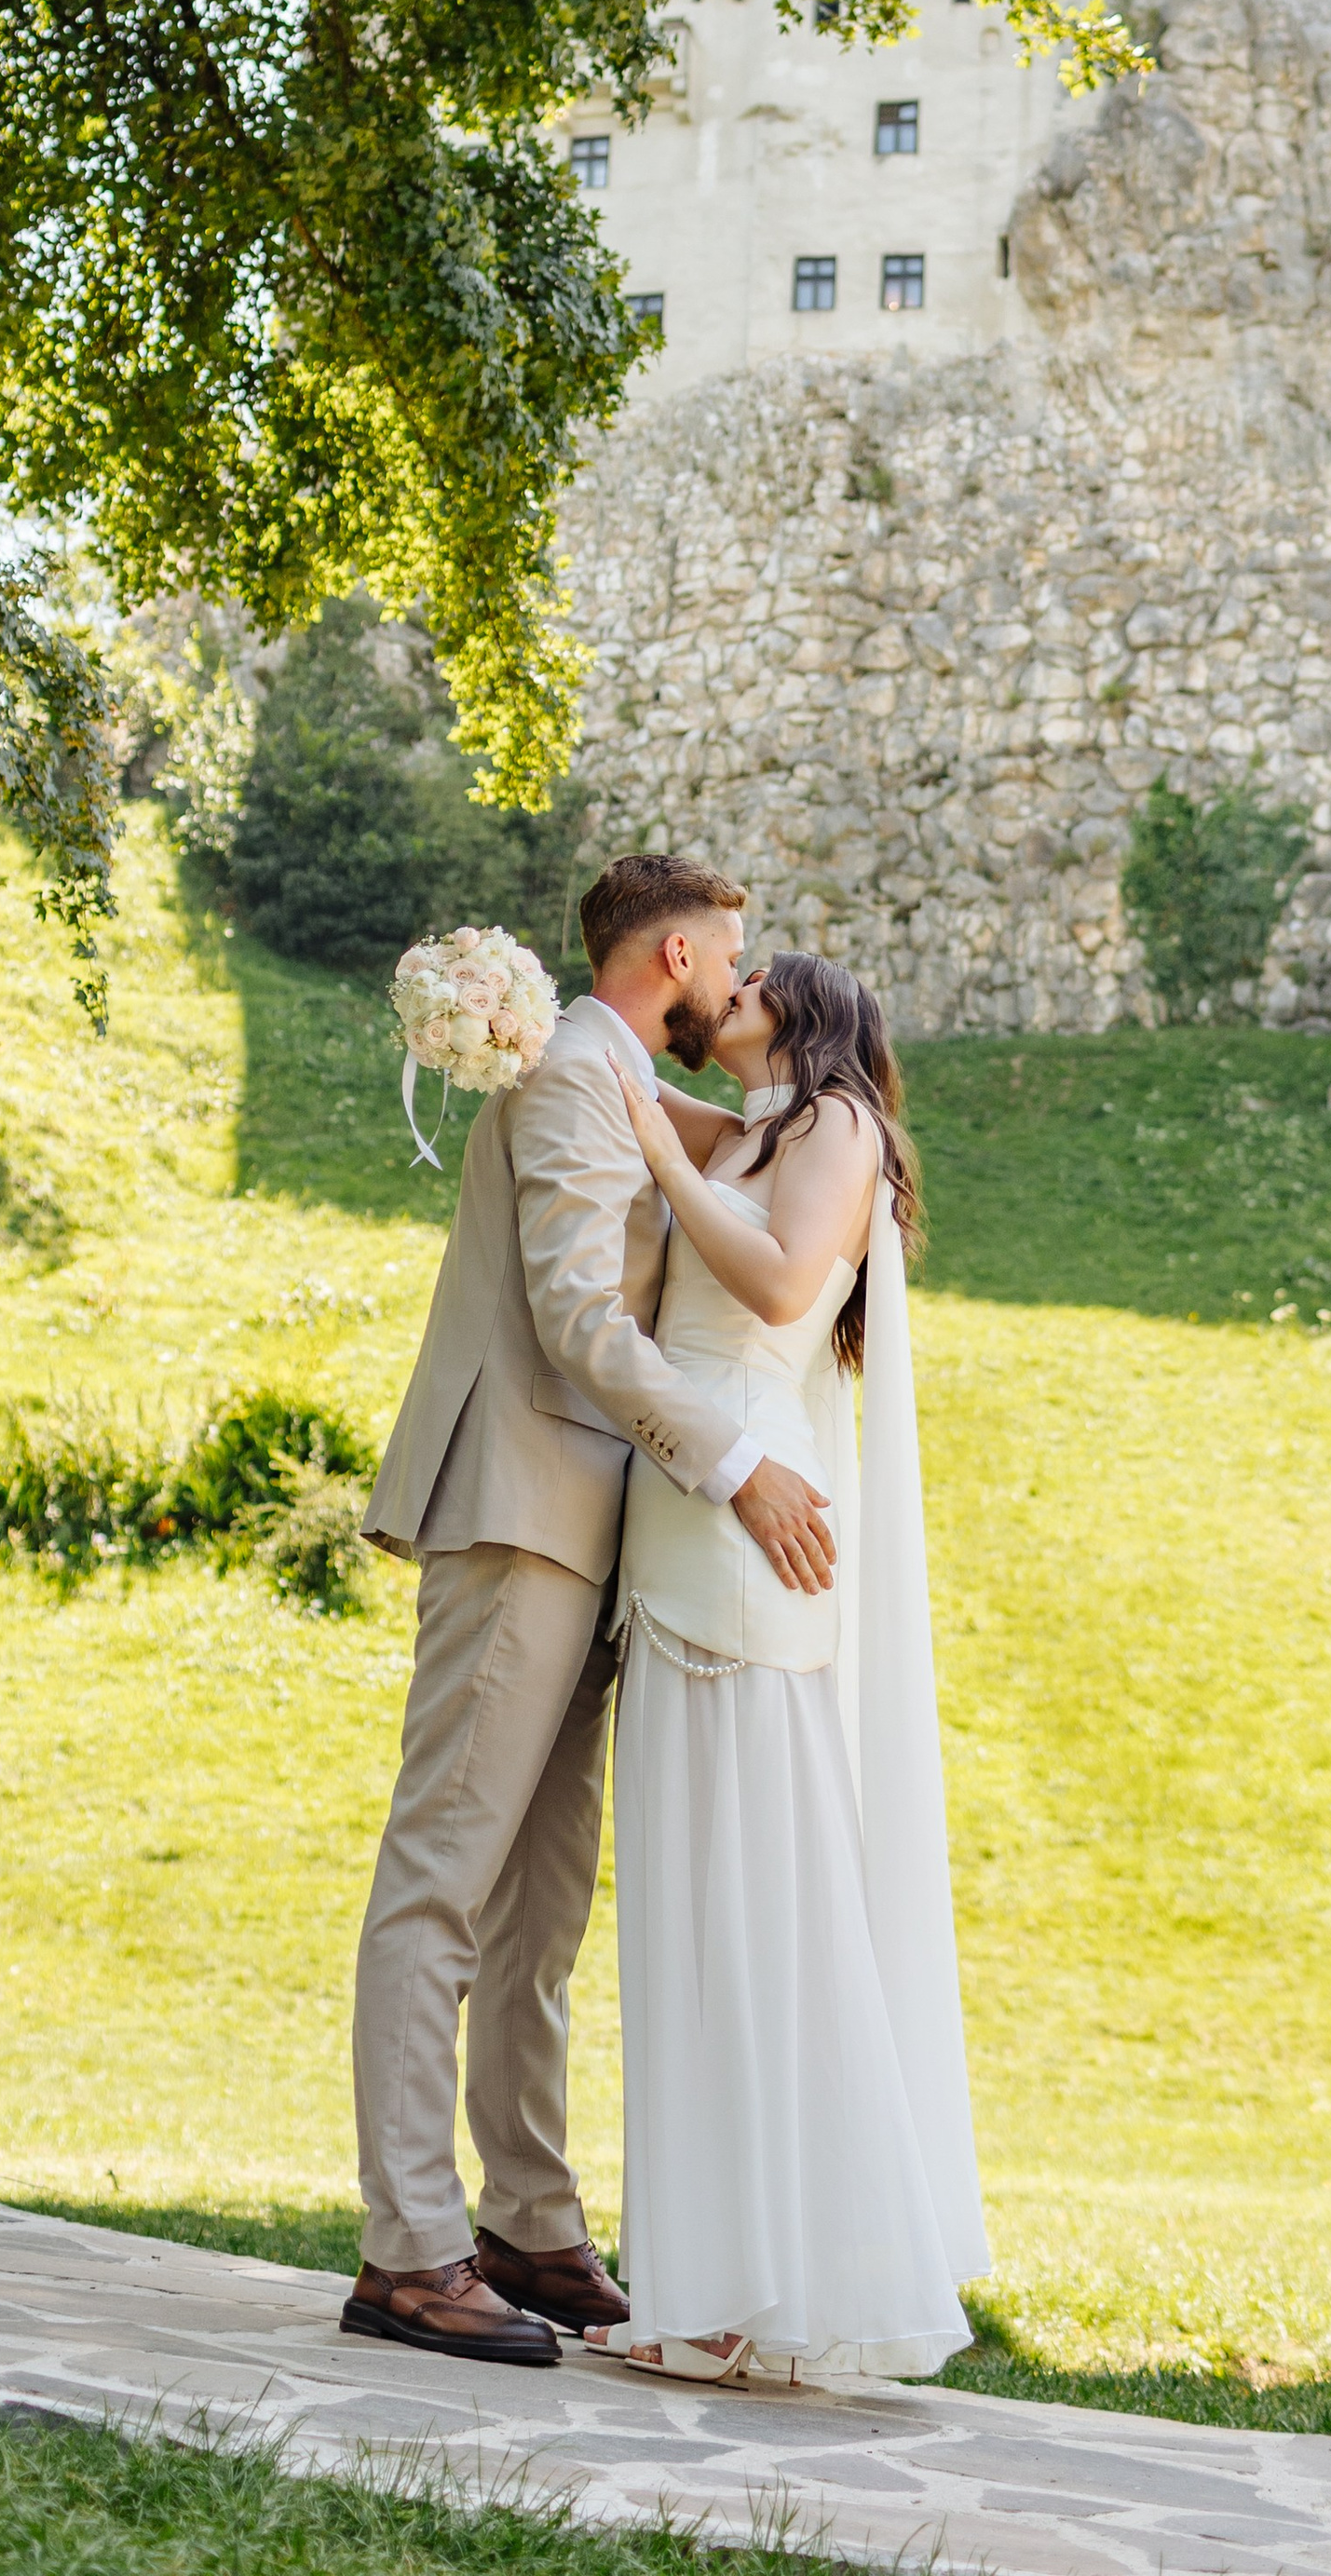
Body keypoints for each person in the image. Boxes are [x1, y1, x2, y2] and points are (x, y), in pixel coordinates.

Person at [344, 857, 836, 2366]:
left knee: (540, 1908)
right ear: (675, 952)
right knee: (442, 1881)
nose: (739, 981)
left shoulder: (615, 1068)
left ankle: (532, 2225)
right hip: (516, 1510)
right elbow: (576, 1317)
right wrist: (738, 1461)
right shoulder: (572, 1076)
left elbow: (756, 1156)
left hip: (587, 1531)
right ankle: (410, 2251)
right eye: (732, 958)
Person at [589, 950, 986, 2384]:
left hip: (756, 1527)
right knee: (697, 1905)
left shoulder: (834, 1127)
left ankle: (766, 2284)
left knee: (760, 1896)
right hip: (680, 1528)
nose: (729, 988)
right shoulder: (754, 1129)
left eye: (752, 977)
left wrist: (658, 1151)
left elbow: (769, 1291)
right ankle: (710, 2279)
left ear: (807, 1016)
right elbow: (624, 1076)